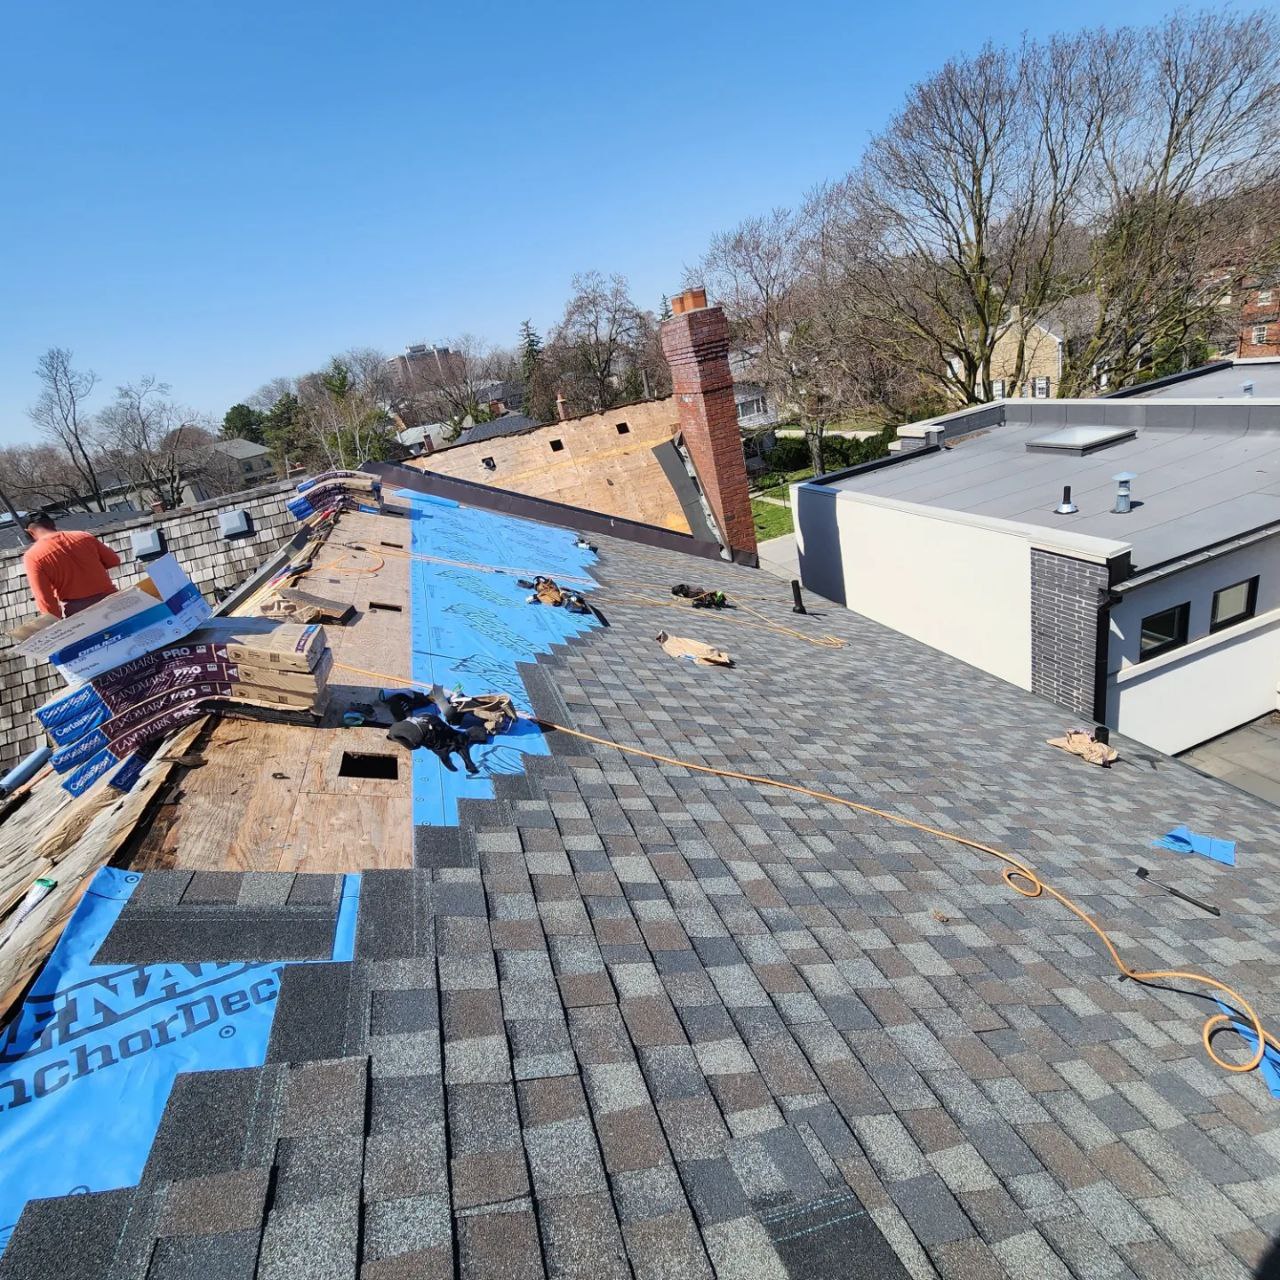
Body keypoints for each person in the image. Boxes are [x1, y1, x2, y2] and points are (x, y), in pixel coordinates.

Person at [22, 514, 121, 618]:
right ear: (52, 523)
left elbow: (44, 597)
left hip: (80, 612)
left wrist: (54, 621)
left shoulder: (33, 556)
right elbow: (113, 561)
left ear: (29, 532)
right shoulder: (83, 536)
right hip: (112, 599)